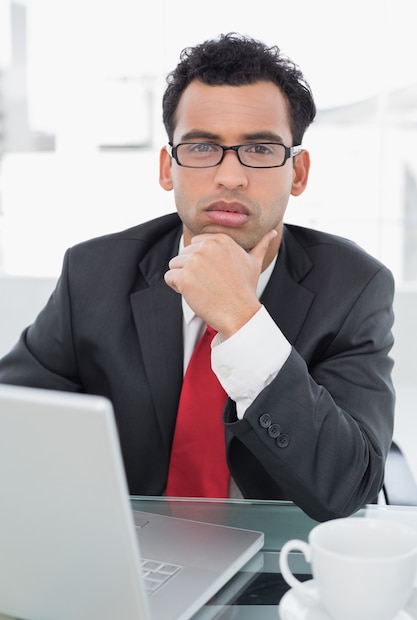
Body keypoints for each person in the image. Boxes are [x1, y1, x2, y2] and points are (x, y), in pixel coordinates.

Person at [0, 33, 395, 522]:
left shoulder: (354, 288)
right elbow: (11, 422)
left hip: (280, 574)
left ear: (298, 173)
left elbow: (348, 487)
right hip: (130, 556)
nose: (230, 177)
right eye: (203, 147)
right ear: (168, 168)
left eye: (261, 149)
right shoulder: (92, 274)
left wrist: (243, 322)